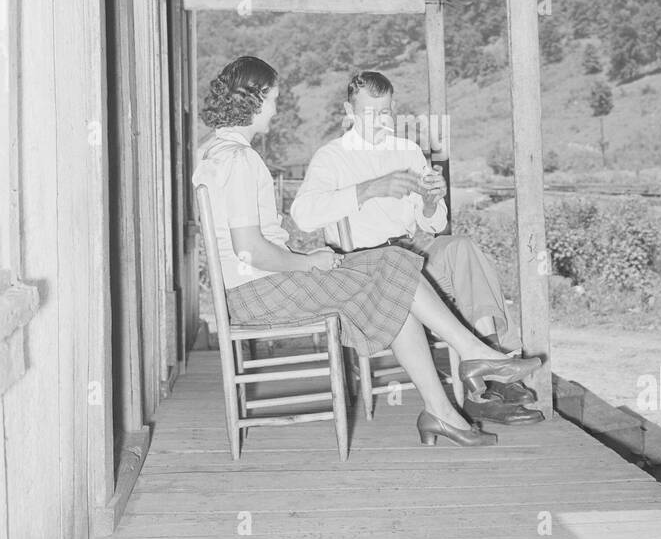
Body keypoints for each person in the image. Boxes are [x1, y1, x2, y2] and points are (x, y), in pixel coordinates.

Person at [192, 56, 544, 450]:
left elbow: (247, 250)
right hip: (260, 291)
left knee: (403, 281)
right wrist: (307, 261)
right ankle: (475, 358)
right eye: (273, 99)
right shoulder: (242, 159)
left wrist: (428, 202)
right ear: (253, 99)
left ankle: (444, 409)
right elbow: (249, 251)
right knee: (394, 267)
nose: (276, 108)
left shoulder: (214, 151)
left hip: (252, 289)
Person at [290, 70, 541, 425]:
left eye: (386, 112)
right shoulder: (332, 157)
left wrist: (429, 201)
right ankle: (485, 388)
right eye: (368, 113)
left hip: (412, 251)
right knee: (402, 259)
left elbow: (434, 223)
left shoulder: (407, 150)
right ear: (349, 111)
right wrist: (368, 190)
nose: (379, 121)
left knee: (461, 249)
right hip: (364, 264)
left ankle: (487, 372)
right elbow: (302, 215)